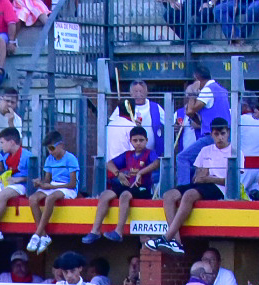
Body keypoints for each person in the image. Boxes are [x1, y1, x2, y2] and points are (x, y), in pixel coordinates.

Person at [145, 118, 232, 258]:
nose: (220, 137)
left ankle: (166, 238)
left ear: (228, 132)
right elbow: (198, 176)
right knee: (169, 195)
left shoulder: (234, 151)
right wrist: (204, 177)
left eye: (223, 133)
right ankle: (177, 242)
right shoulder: (206, 150)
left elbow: (231, 181)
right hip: (203, 185)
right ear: (211, 134)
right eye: (216, 134)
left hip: (220, 188)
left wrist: (208, 178)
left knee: (189, 194)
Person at [81, 125, 159, 245]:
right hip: (127, 185)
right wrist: (118, 174)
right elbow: (109, 163)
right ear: (130, 141)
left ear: (146, 140)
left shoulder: (149, 153)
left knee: (125, 195)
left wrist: (141, 172)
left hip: (142, 188)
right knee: (105, 195)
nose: (138, 143)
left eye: (141, 140)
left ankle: (118, 232)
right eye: (135, 140)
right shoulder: (128, 155)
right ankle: (95, 231)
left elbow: (157, 163)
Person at [27, 128, 79, 255]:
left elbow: (72, 184)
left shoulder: (71, 159)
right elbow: (47, 180)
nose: (50, 152)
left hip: (67, 188)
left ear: (61, 145)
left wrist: (50, 187)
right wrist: (40, 183)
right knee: (33, 199)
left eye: (52, 148)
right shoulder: (49, 159)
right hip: (53, 185)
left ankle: (37, 233)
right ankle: (44, 235)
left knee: (50, 198)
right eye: (48, 149)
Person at [177, 65, 230, 186]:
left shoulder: (207, 90)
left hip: (212, 136)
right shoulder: (221, 89)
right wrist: (201, 123)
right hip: (225, 133)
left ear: (197, 79)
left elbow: (191, 110)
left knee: (182, 158)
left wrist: (192, 92)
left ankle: (182, 188)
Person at [106, 80, 164, 154]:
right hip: (130, 153)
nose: (138, 94)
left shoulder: (156, 107)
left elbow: (169, 123)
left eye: (141, 91)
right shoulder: (125, 106)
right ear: (130, 93)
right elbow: (113, 123)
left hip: (152, 153)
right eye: (135, 91)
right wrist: (130, 124)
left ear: (146, 92)